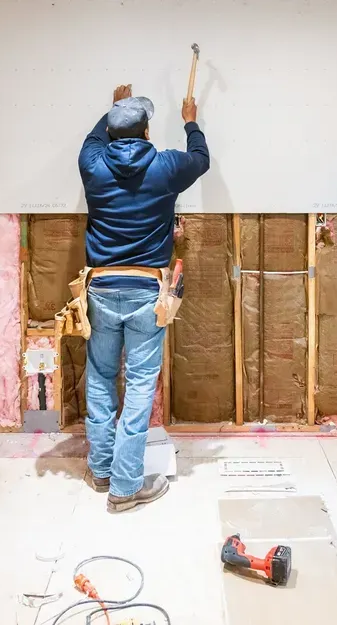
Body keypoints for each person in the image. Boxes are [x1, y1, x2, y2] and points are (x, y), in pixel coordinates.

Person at [77, 85, 210, 512]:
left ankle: (101, 472)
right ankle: (125, 485)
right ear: (147, 131)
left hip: (100, 287)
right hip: (146, 290)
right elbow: (202, 159)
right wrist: (190, 119)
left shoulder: (93, 165)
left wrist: (113, 105)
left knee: (99, 376)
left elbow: (95, 139)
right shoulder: (166, 165)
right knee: (138, 384)